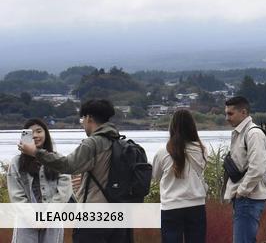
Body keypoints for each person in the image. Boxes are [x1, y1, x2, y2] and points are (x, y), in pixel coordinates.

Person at [18, 99, 134, 243]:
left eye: (82, 119)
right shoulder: (121, 143)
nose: (82, 123)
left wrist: (36, 152)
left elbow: (67, 165)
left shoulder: (93, 143)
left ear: (89, 118)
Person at [8, 118, 72, 243]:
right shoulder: (17, 162)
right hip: (26, 221)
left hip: (53, 218)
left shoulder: (58, 159)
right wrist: (32, 219)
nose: (35, 135)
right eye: (31, 133)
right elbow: (16, 195)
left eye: (39, 131)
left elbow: (64, 192)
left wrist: (48, 217)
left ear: (45, 134)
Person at [151, 109, 208, 243]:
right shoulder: (202, 149)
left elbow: (155, 177)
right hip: (197, 205)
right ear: (192, 127)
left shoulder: (163, 152)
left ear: (172, 127)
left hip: (171, 207)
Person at [223, 96, 266, 243]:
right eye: (226, 114)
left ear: (243, 112)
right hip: (246, 199)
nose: (227, 118)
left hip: (249, 198)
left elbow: (257, 168)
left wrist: (241, 192)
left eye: (230, 114)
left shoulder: (253, 133)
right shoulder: (241, 133)